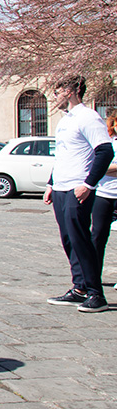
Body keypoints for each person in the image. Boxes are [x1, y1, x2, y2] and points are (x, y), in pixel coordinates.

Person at [44, 75, 114, 313]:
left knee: (81, 239)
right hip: (61, 187)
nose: (55, 97)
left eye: (58, 91)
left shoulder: (88, 117)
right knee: (68, 240)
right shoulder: (65, 120)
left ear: (71, 91)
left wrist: (89, 184)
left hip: (78, 187)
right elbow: (63, 155)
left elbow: (104, 152)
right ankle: (80, 288)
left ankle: (96, 294)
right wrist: (51, 183)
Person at [90, 110, 117, 292]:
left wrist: (106, 168)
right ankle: (92, 277)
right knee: (97, 237)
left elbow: (103, 167)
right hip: (103, 194)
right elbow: (97, 165)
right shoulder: (106, 143)